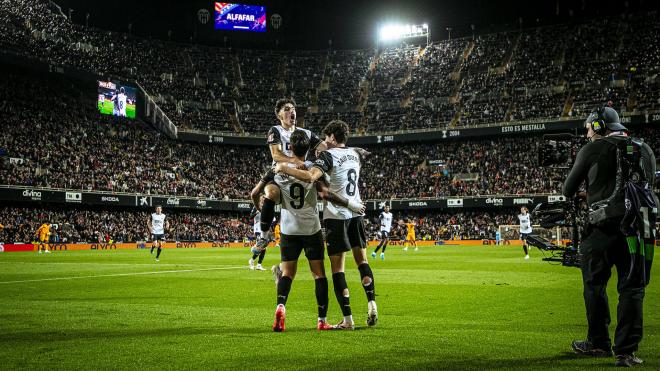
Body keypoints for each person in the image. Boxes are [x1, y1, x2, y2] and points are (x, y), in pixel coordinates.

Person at [563, 106, 657, 367]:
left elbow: (568, 189)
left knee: (595, 286)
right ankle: (626, 351)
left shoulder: (592, 148)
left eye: (589, 128)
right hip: (636, 230)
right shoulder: (644, 149)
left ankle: (597, 343)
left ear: (599, 125)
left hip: (601, 231)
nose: (587, 134)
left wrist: (590, 191)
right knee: (633, 289)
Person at [275, 120, 378, 329]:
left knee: (337, 270)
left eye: (326, 138)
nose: (324, 142)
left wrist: (283, 167)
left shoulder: (328, 156)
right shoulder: (356, 155)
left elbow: (314, 180)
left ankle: (348, 319)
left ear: (331, 137)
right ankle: (371, 302)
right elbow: (359, 155)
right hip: (356, 213)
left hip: (335, 217)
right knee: (362, 262)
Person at [251, 98, 326, 252]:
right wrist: (294, 160)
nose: (291, 111)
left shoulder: (305, 133)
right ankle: (264, 237)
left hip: (300, 175)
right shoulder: (276, 130)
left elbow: (324, 147)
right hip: (279, 174)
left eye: (293, 108)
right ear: (279, 115)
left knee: (323, 192)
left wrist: (326, 152)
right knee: (271, 193)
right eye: (286, 109)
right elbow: (276, 155)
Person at [248, 202, 266, 270]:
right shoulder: (255, 207)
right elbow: (250, 217)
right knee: (260, 247)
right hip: (257, 230)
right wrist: (257, 212)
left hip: (263, 230)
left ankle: (258, 264)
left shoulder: (265, 208)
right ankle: (253, 261)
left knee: (264, 248)